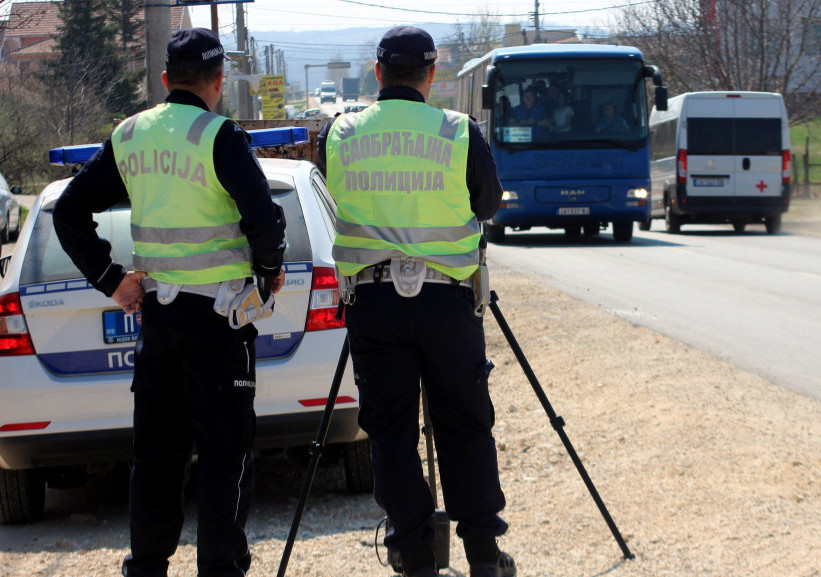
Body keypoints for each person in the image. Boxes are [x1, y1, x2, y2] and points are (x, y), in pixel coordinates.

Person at [52, 28, 286, 577]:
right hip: (218, 323)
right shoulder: (218, 135)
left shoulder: (130, 134)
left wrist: (112, 280)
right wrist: (270, 272)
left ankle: (148, 568)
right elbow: (264, 217)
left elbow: (68, 212)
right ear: (218, 82)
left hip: (158, 321)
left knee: (156, 457)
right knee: (225, 456)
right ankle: (220, 569)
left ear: (164, 80)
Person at [316, 26, 514, 577]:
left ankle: (414, 552)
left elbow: (336, 188)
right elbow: (489, 203)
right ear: (431, 75)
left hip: (375, 304)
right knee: (465, 427)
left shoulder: (341, 131)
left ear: (379, 73)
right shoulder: (458, 131)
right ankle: (482, 555)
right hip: (447, 304)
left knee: (392, 432)